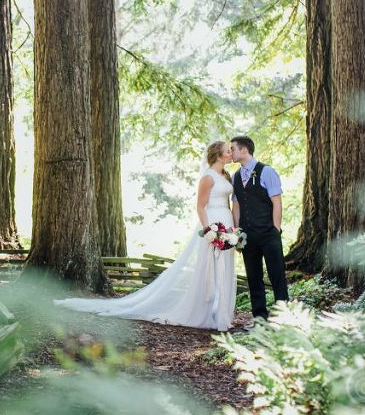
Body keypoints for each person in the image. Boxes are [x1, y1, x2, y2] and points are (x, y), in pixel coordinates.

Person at [54, 141, 237, 331]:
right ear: (218, 155)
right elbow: (200, 206)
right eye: (227, 151)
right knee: (210, 268)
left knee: (224, 266)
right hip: (212, 223)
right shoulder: (207, 178)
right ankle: (207, 313)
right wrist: (208, 230)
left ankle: (221, 312)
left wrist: (232, 230)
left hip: (226, 223)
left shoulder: (226, 175)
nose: (231, 154)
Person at [230, 136, 289, 320]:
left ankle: (283, 316)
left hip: (268, 234)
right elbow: (237, 206)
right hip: (247, 236)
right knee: (254, 278)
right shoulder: (236, 177)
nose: (230, 152)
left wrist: (276, 229)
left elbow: (277, 202)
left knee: (276, 275)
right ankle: (260, 318)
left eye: (232, 149)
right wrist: (237, 233)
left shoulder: (267, 171)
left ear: (244, 150)